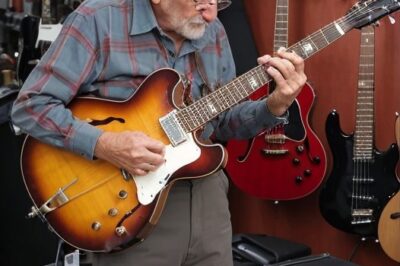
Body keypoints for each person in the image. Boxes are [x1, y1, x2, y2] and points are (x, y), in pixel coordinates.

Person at [11, 0, 306, 265]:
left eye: (218, 1)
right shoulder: (98, 19)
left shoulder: (212, 29)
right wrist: (103, 143)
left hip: (208, 201)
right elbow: (30, 106)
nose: (212, 11)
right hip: (126, 204)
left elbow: (223, 121)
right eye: (200, 0)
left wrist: (275, 105)